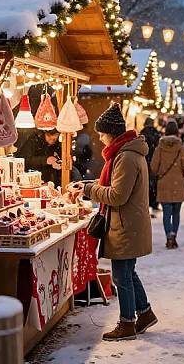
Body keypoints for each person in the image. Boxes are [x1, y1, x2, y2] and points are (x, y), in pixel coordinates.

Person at [71, 103, 156, 341]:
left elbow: (118, 195)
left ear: (111, 133)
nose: (99, 138)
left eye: (101, 133)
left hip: (126, 224)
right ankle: (145, 313)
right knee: (129, 272)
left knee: (122, 276)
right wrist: (88, 185)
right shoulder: (123, 153)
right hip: (128, 223)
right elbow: (115, 183)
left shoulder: (126, 156)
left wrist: (89, 189)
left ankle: (127, 323)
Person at [151, 119, 184, 249]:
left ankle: (168, 235)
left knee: (166, 213)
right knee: (176, 213)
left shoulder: (159, 148)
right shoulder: (181, 147)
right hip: (178, 184)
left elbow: (153, 167)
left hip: (164, 184)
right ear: (177, 132)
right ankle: (173, 235)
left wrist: (162, 171)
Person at [140, 117, 161, 217]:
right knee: (154, 183)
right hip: (154, 160)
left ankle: (146, 203)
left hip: (143, 160)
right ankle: (154, 203)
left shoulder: (142, 133)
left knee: (144, 183)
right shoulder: (156, 134)